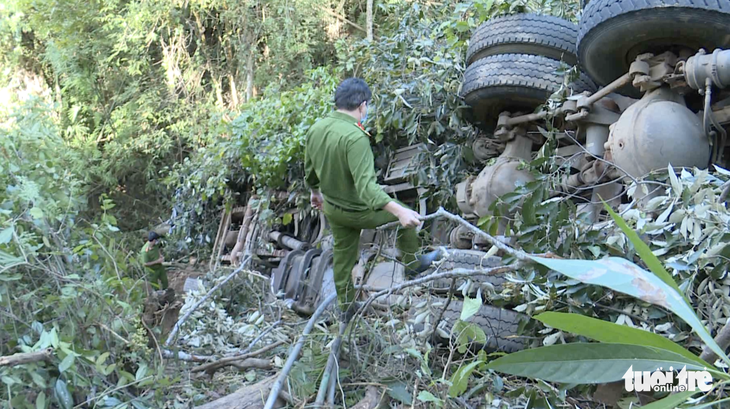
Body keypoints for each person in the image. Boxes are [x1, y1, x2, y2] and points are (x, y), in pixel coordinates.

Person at [304, 78, 441, 319]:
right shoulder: (355, 137)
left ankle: (346, 308)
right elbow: (367, 188)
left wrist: (315, 193)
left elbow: (309, 170)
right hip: (359, 211)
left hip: (334, 209)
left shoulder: (316, 129)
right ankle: (412, 265)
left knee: (343, 259)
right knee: (403, 213)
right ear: (362, 105)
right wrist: (400, 212)